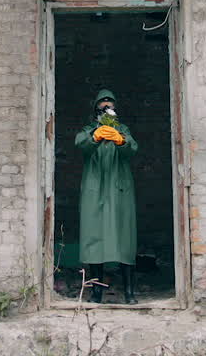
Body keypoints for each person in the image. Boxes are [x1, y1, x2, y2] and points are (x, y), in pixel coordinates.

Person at [76, 88, 139, 304]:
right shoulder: (88, 130)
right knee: (95, 239)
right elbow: (80, 144)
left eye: (110, 104)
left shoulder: (122, 130)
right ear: (95, 109)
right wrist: (94, 136)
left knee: (124, 238)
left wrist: (121, 140)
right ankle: (96, 292)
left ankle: (129, 293)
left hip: (119, 190)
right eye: (102, 105)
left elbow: (133, 148)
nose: (106, 108)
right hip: (95, 190)